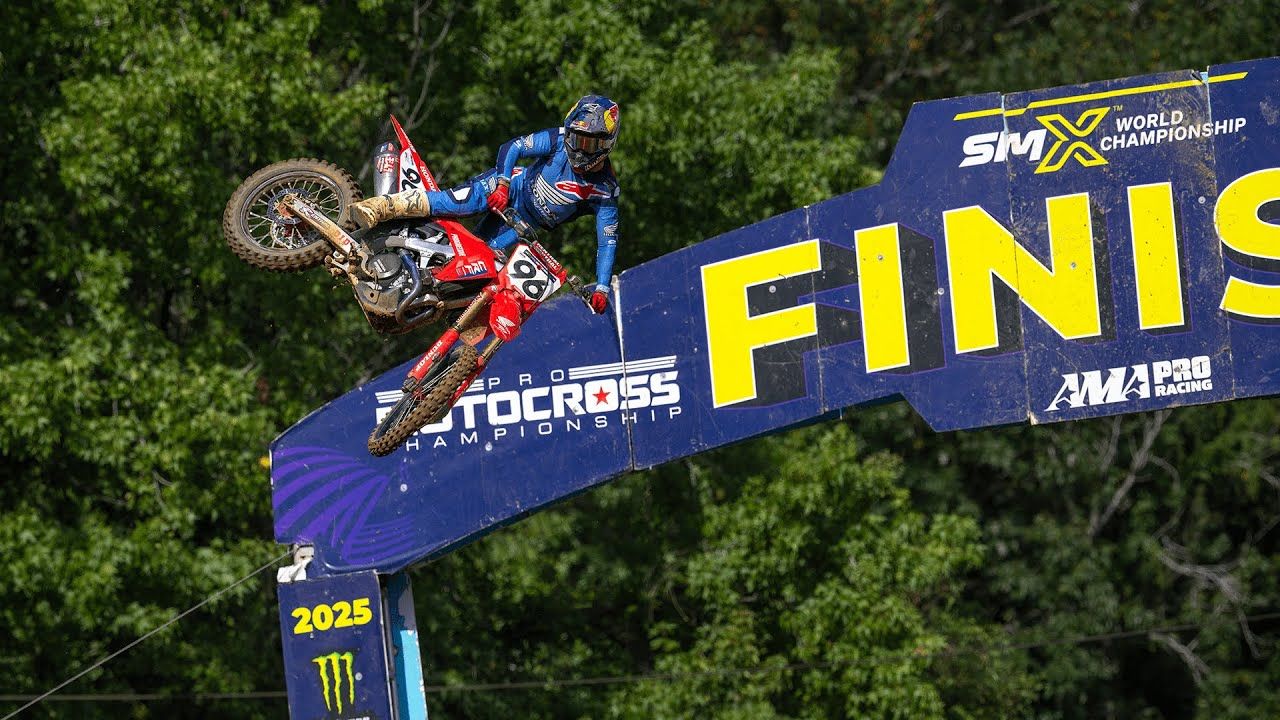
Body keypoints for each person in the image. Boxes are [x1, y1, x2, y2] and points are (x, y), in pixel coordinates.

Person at [348, 94, 621, 314]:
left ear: (607, 144)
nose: (579, 148)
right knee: (453, 203)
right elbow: (514, 147)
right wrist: (503, 183)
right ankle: (378, 207)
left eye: (588, 143)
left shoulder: (605, 190)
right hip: (509, 187)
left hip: (522, 225)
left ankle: (414, 284)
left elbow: (607, 241)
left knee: (478, 268)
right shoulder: (558, 139)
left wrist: (602, 287)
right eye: (576, 138)